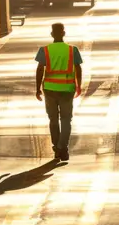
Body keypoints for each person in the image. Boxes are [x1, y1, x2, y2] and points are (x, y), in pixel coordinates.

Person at [35, 22, 83, 162]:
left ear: (52, 34)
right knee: (66, 120)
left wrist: (37, 88)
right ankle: (63, 148)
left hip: (50, 89)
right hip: (67, 89)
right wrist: (78, 85)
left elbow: (40, 69)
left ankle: (56, 147)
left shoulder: (44, 50)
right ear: (64, 33)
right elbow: (78, 68)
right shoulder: (72, 50)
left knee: (53, 119)